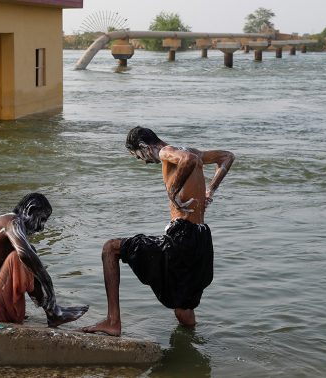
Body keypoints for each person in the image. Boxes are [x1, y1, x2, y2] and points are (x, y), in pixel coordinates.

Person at [82, 126, 234, 336]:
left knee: (110, 248)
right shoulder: (193, 151)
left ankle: (112, 321)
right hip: (201, 239)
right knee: (183, 308)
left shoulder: (165, 152)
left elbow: (187, 159)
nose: (143, 161)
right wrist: (210, 190)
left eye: (138, 156)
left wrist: (172, 193)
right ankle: (191, 347)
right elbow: (227, 157)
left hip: (182, 238)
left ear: (144, 147)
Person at [0, 192, 88, 326]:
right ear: (30, 210)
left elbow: (29, 256)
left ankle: (51, 313)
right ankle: (53, 312)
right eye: (42, 220)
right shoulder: (13, 221)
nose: (41, 228)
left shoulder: (10, 224)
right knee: (23, 257)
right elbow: (25, 255)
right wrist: (48, 284)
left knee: (30, 253)